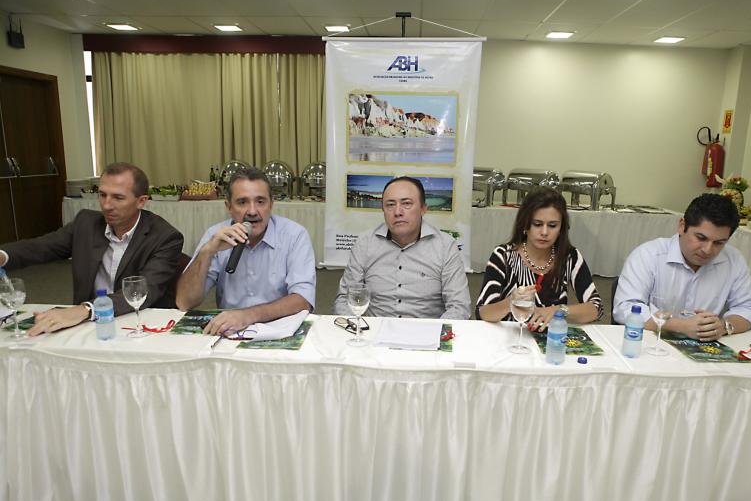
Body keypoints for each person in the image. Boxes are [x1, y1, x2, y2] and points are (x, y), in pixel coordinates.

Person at [0, 162, 184, 336]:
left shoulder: (164, 237)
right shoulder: (86, 223)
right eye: (102, 195)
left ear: (141, 201)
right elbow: (42, 246)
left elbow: (145, 289)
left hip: (137, 323)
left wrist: (87, 309)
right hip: (87, 323)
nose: (107, 205)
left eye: (118, 197)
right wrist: (3, 255)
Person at [176, 168, 315, 335]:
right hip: (230, 331)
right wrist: (207, 252)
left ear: (271, 204)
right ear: (228, 207)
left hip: (281, 329)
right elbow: (184, 302)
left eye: (260, 202)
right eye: (242, 202)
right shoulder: (215, 235)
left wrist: (248, 315)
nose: (252, 211)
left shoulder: (294, 235)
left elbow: (303, 300)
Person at [613, 193, 751, 340]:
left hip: (706, 346)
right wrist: (681, 326)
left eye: (719, 243)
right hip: (651, 344)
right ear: (682, 226)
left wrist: (724, 326)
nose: (707, 250)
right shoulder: (648, 255)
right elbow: (625, 308)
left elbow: (750, 308)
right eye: (701, 238)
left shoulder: (733, 261)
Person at [333, 176, 471, 320]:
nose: (397, 212)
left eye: (406, 203)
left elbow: (459, 306)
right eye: (390, 205)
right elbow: (344, 300)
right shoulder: (365, 244)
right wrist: (357, 328)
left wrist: (436, 332)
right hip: (374, 330)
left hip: (427, 331)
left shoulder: (445, 246)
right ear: (383, 210)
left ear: (423, 209)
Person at [476, 187, 603, 329]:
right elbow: (483, 312)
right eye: (537, 224)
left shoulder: (569, 257)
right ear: (525, 224)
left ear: (561, 228)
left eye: (552, 226)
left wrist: (559, 310)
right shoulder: (504, 255)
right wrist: (511, 302)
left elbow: (596, 308)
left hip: (552, 337)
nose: (544, 232)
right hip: (511, 336)